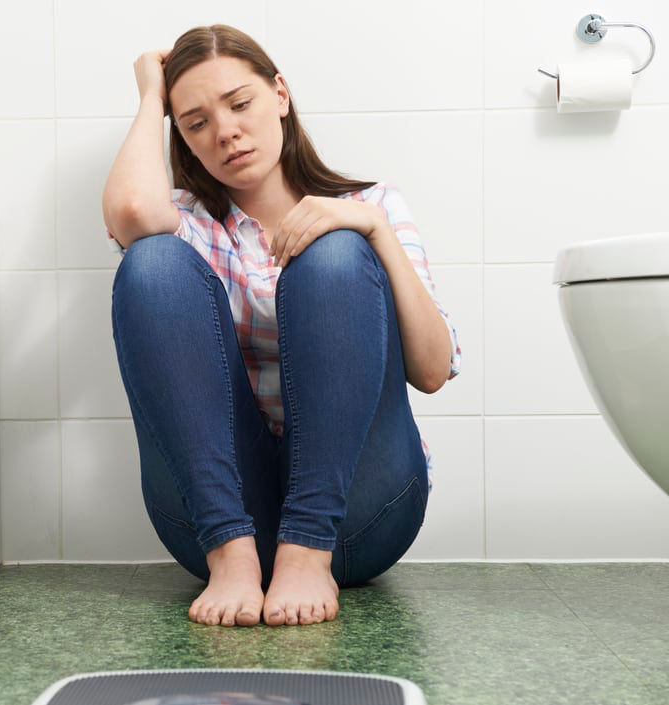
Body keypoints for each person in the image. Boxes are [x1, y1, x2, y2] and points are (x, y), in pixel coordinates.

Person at [101, 24, 461, 628]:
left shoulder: (370, 205)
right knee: (151, 261)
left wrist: (371, 229)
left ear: (280, 95)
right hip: (217, 526)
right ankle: (232, 555)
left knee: (336, 251)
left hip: (357, 515)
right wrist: (149, 97)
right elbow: (134, 211)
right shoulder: (184, 223)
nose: (225, 132)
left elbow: (431, 371)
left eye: (239, 104)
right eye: (195, 123)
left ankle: (307, 551)